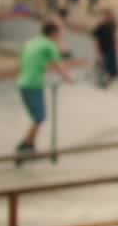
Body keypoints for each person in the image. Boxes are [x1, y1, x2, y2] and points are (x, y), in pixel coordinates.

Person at [15, 21, 74, 157]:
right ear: (53, 33)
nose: (61, 35)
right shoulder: (49, 45)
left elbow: (23, 59)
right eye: (59, 32)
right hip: (33, 84)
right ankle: (25, 144)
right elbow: (59, 65)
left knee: (38, 117)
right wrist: (70, 79)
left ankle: (30, 144)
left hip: (23, 82)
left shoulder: (32, 42)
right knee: (39, 117)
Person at [91, 9, 118, 88]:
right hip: (103, 50)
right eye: (108, 16)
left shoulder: (113, 25)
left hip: (111, 50)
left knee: (113, 71)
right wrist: (98, 53)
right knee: (101, 67)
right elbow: (95, 40)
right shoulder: (100, 27)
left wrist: (116, 47)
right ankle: (101, 84)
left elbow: (114, 37)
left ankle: (105, 84)